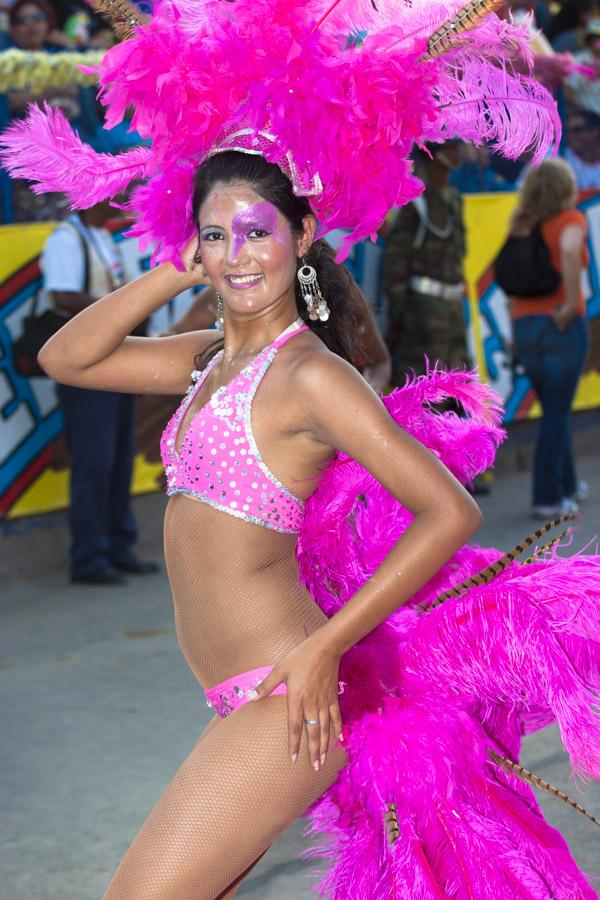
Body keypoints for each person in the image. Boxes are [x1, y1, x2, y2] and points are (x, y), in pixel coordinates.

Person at [5, 2, 599, 896]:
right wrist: (180, 260)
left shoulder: (310, 378)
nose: (239, 255)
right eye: (217, 235)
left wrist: (328, 648)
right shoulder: (209, 358)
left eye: (258, 231)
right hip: (233, 695)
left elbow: (450, 511)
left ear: (304, 238)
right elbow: (65, 357)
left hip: (283, 697)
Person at [41, 201, 159, 584]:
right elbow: (62, 297)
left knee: (120, 458)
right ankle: (89, 559)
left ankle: (119, 547)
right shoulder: (65, 238)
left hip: (114, 361)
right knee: (94, 461)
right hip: (84, 368)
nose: (118, 198)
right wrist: (116, 315)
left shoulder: (102, 236)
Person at [509, 158, 590, 518]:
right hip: (560, 325)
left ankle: (568, 484)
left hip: (526, 328)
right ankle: (547, 497)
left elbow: (509, 279)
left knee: (555, 407)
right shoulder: (571, 219)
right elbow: (571, 251)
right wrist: (572, 303)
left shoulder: (522, 224)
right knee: (557, 412)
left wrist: (516, 329)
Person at [383, 141, 470, 384]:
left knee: (460, 392)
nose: (457, 153)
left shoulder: (453, 197)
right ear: (435, 154)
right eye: (451, 148)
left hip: (452, 310)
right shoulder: (415, 199)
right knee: (425, 392)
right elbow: (396, 262)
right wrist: (399, 318)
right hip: (422, 314)